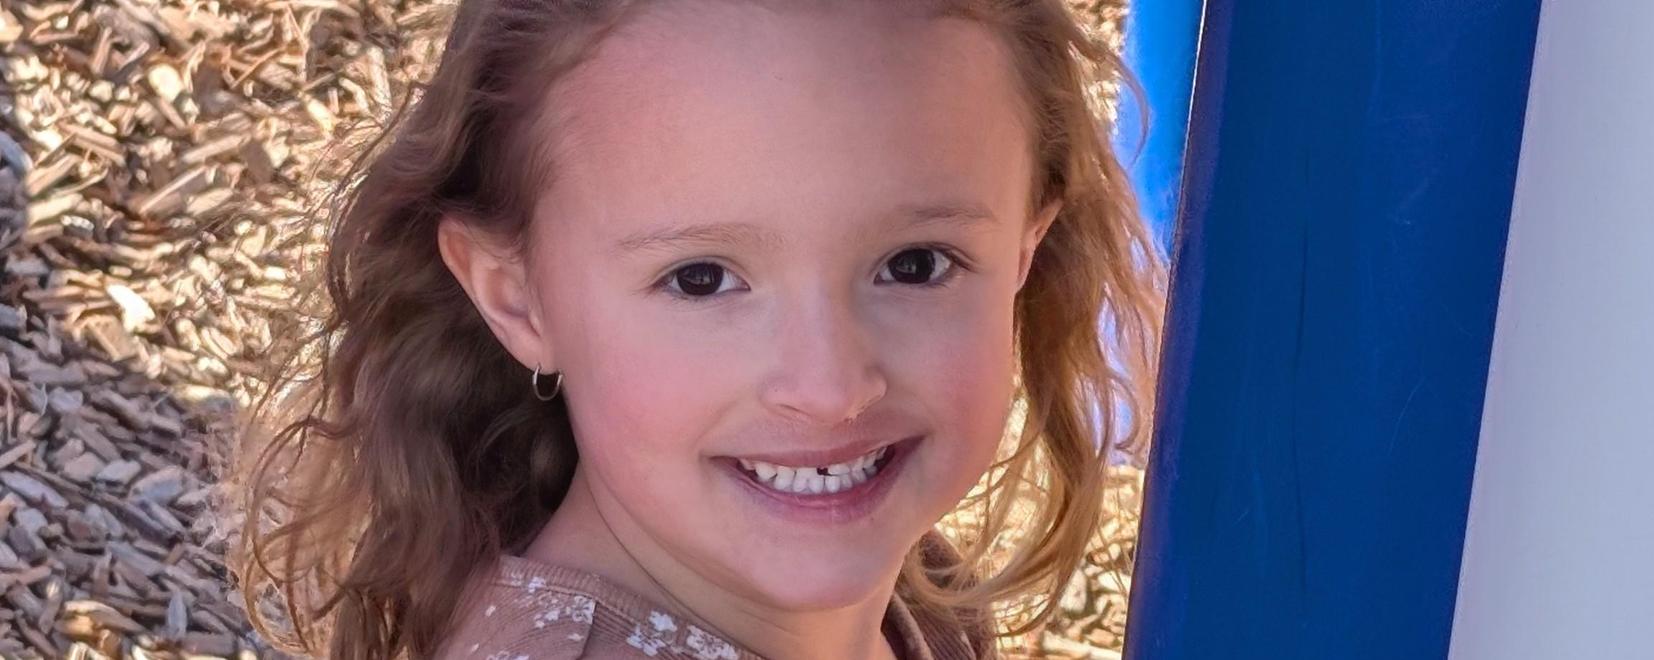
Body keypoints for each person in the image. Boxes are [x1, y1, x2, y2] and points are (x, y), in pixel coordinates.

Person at [228, 0, 1165, 657]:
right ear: (517, 298)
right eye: (703, 279)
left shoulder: (899, 593)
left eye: (914, 265)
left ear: (1026, 251)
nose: (830, 386)